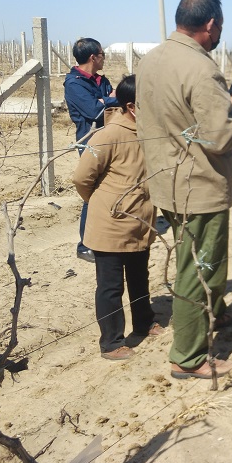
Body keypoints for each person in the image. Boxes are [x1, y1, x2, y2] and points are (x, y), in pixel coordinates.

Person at [136, 0, 232, 381]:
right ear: (211, 25)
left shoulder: (150, 60)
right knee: (197, 269)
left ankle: (213, 315)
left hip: (166, 182)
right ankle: (188, 356)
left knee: (197, 261)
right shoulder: (202, 69)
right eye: (220, 28)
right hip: (198, 187)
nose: (219, 35)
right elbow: (218, 137)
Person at [72, 75, 164, 361]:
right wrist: (103, 204)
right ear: (132, 106)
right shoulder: (107, 135)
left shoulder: (150, 132)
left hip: (140, 221)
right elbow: (81, 178)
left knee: (139, 277)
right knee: (111, 286)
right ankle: (111, 342)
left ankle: (144, 322)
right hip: (110, 224)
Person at [64, 38, 119, 262]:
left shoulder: (101, 80)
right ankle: (85, 245)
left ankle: (105, 237)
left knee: (110, 187)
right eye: (102, 54)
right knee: (94, 192)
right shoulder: (74, 84)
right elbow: (94, 111)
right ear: (92, 57)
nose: (104, 57)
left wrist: (106, 100)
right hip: (90, 143)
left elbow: (111, 104)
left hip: (110, 138)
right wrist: (109, 99)